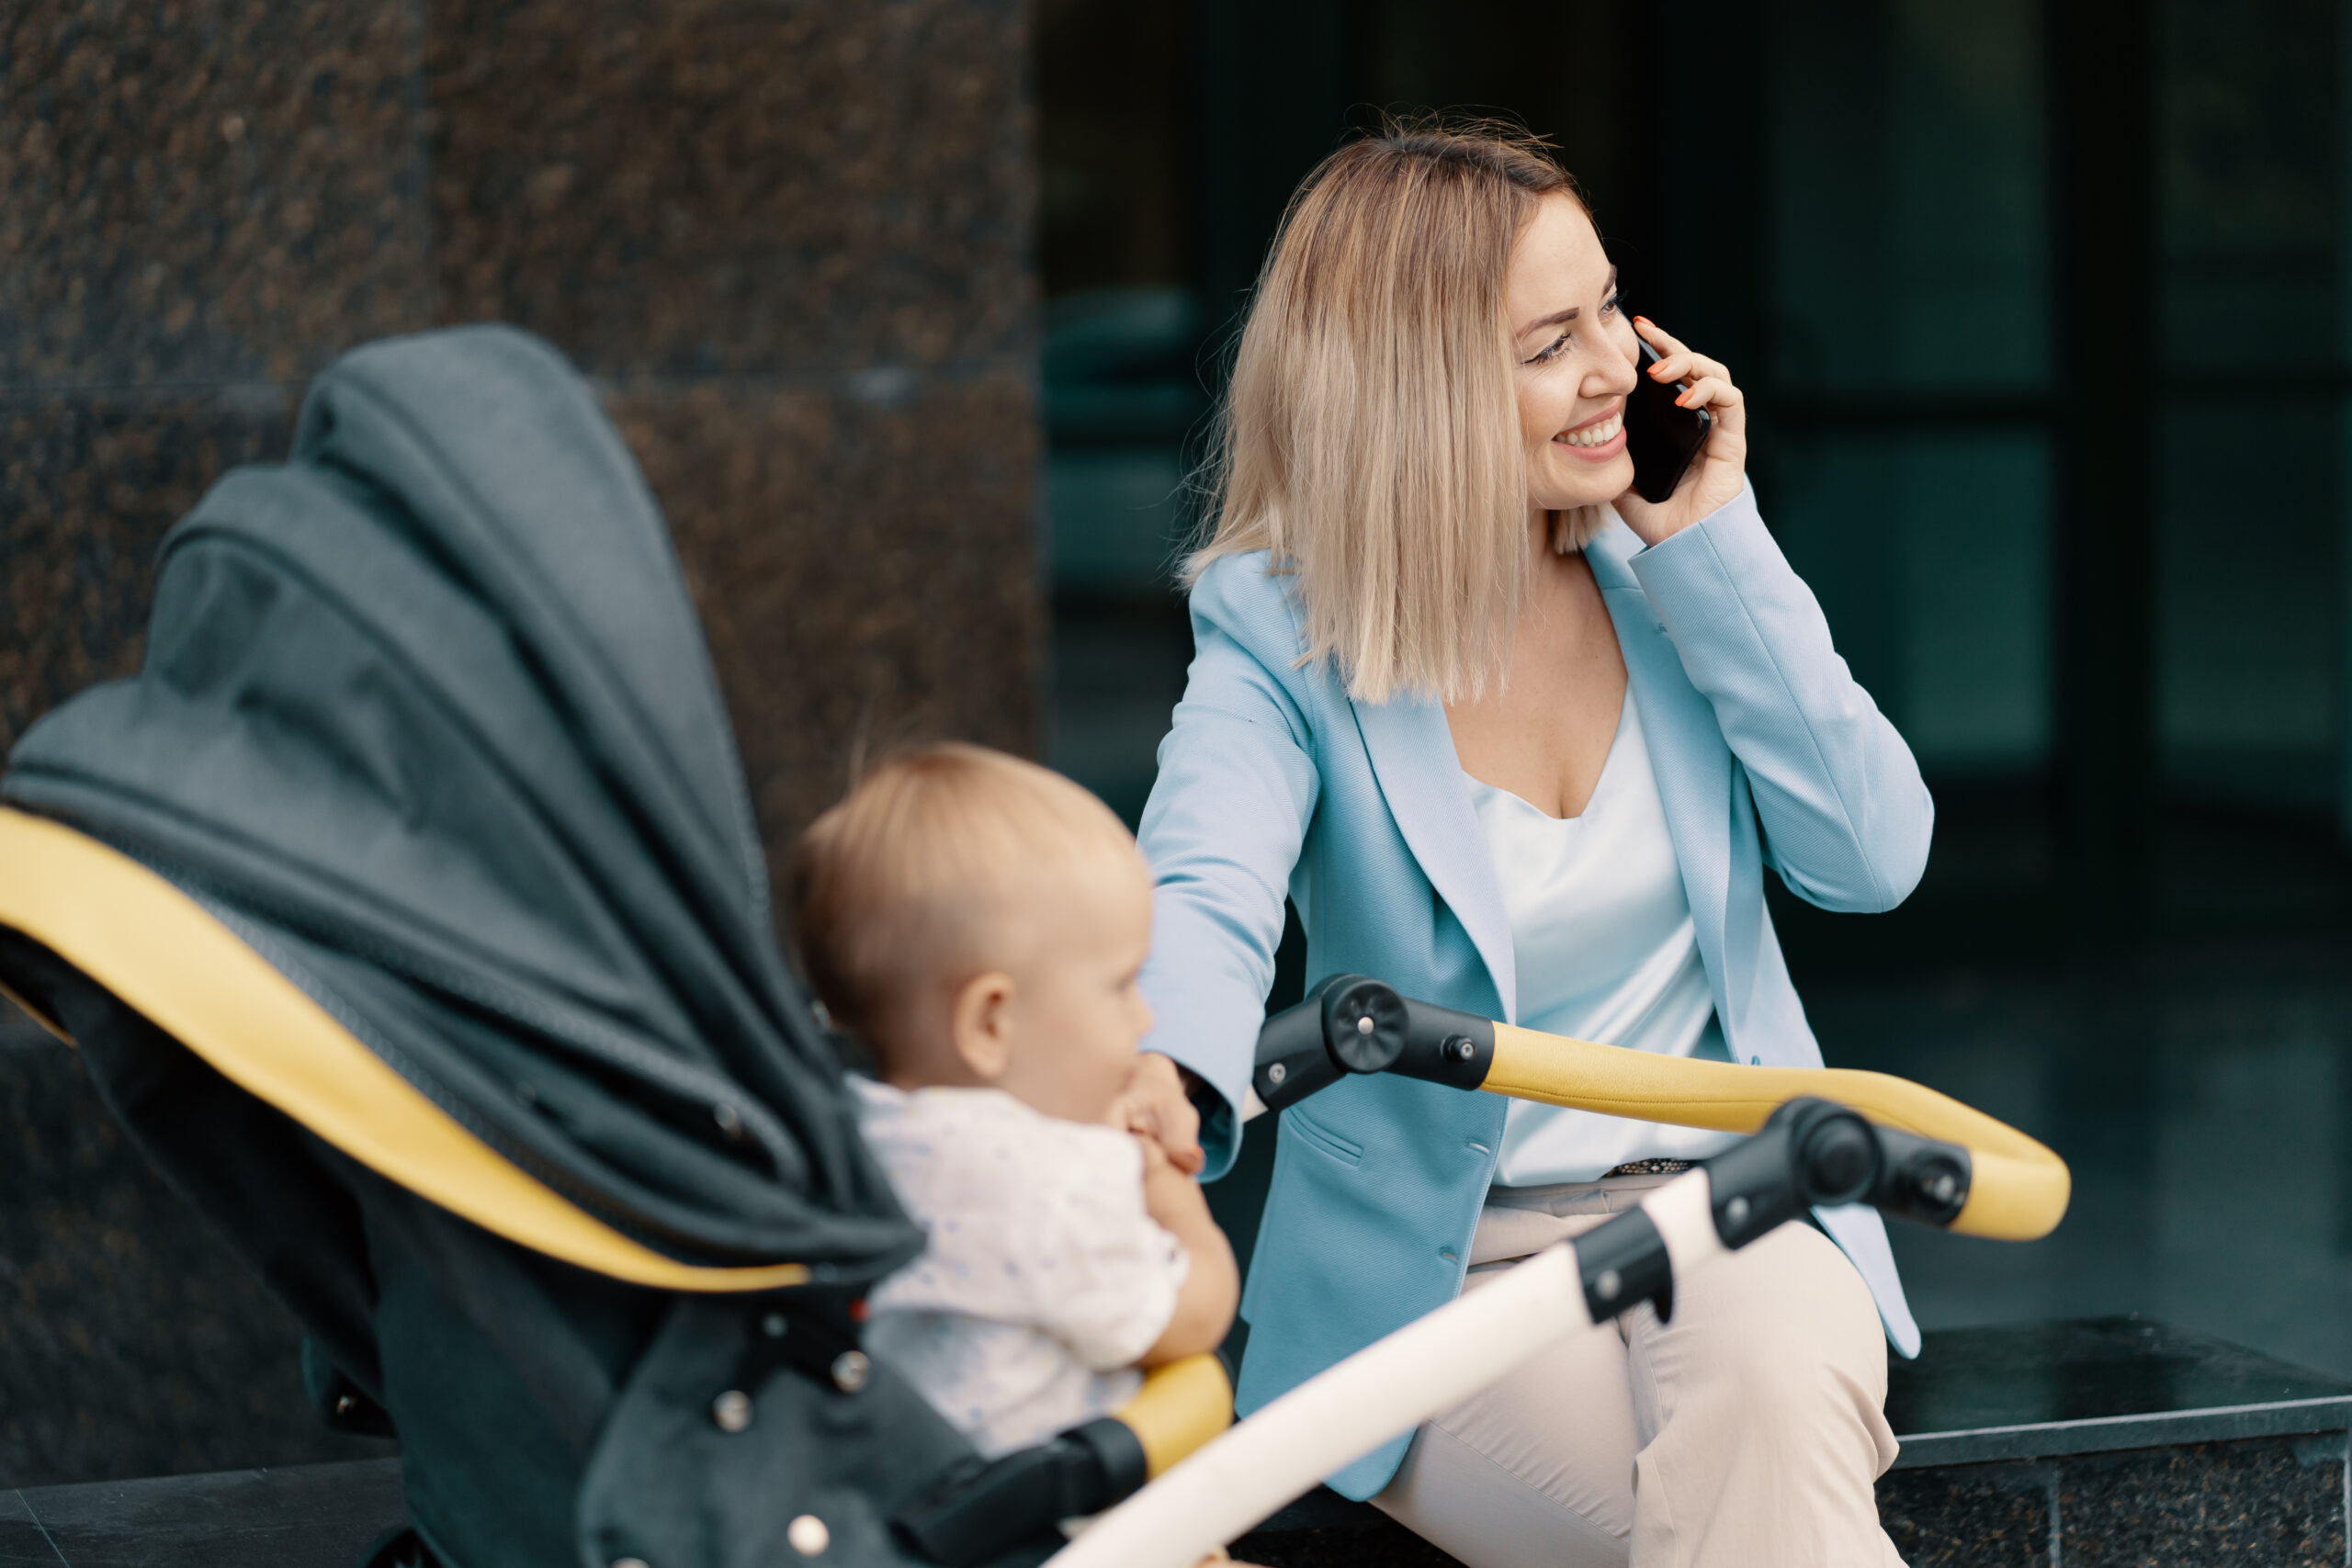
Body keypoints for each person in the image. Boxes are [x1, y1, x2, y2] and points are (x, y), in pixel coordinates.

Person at [1120, 121, 1932, 1567]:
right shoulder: (1281, 626)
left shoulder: (1672, 579)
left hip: (1734, 1215)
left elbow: (1872, 856)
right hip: (1447, 1275)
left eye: (1610, 306)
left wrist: (1720, 543)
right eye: (1550, 340)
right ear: (1417, 389)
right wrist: (1169, 1074)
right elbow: (1206, 877)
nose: (1619, 363)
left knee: (1764, 1423)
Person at [788, 742, 1240, 1461]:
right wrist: (1164, 1185)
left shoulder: (852, 1137)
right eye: (1120, 985)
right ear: (990, 1023)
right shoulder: (1054, 1189)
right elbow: (1195, 1317)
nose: (1145, 1019)